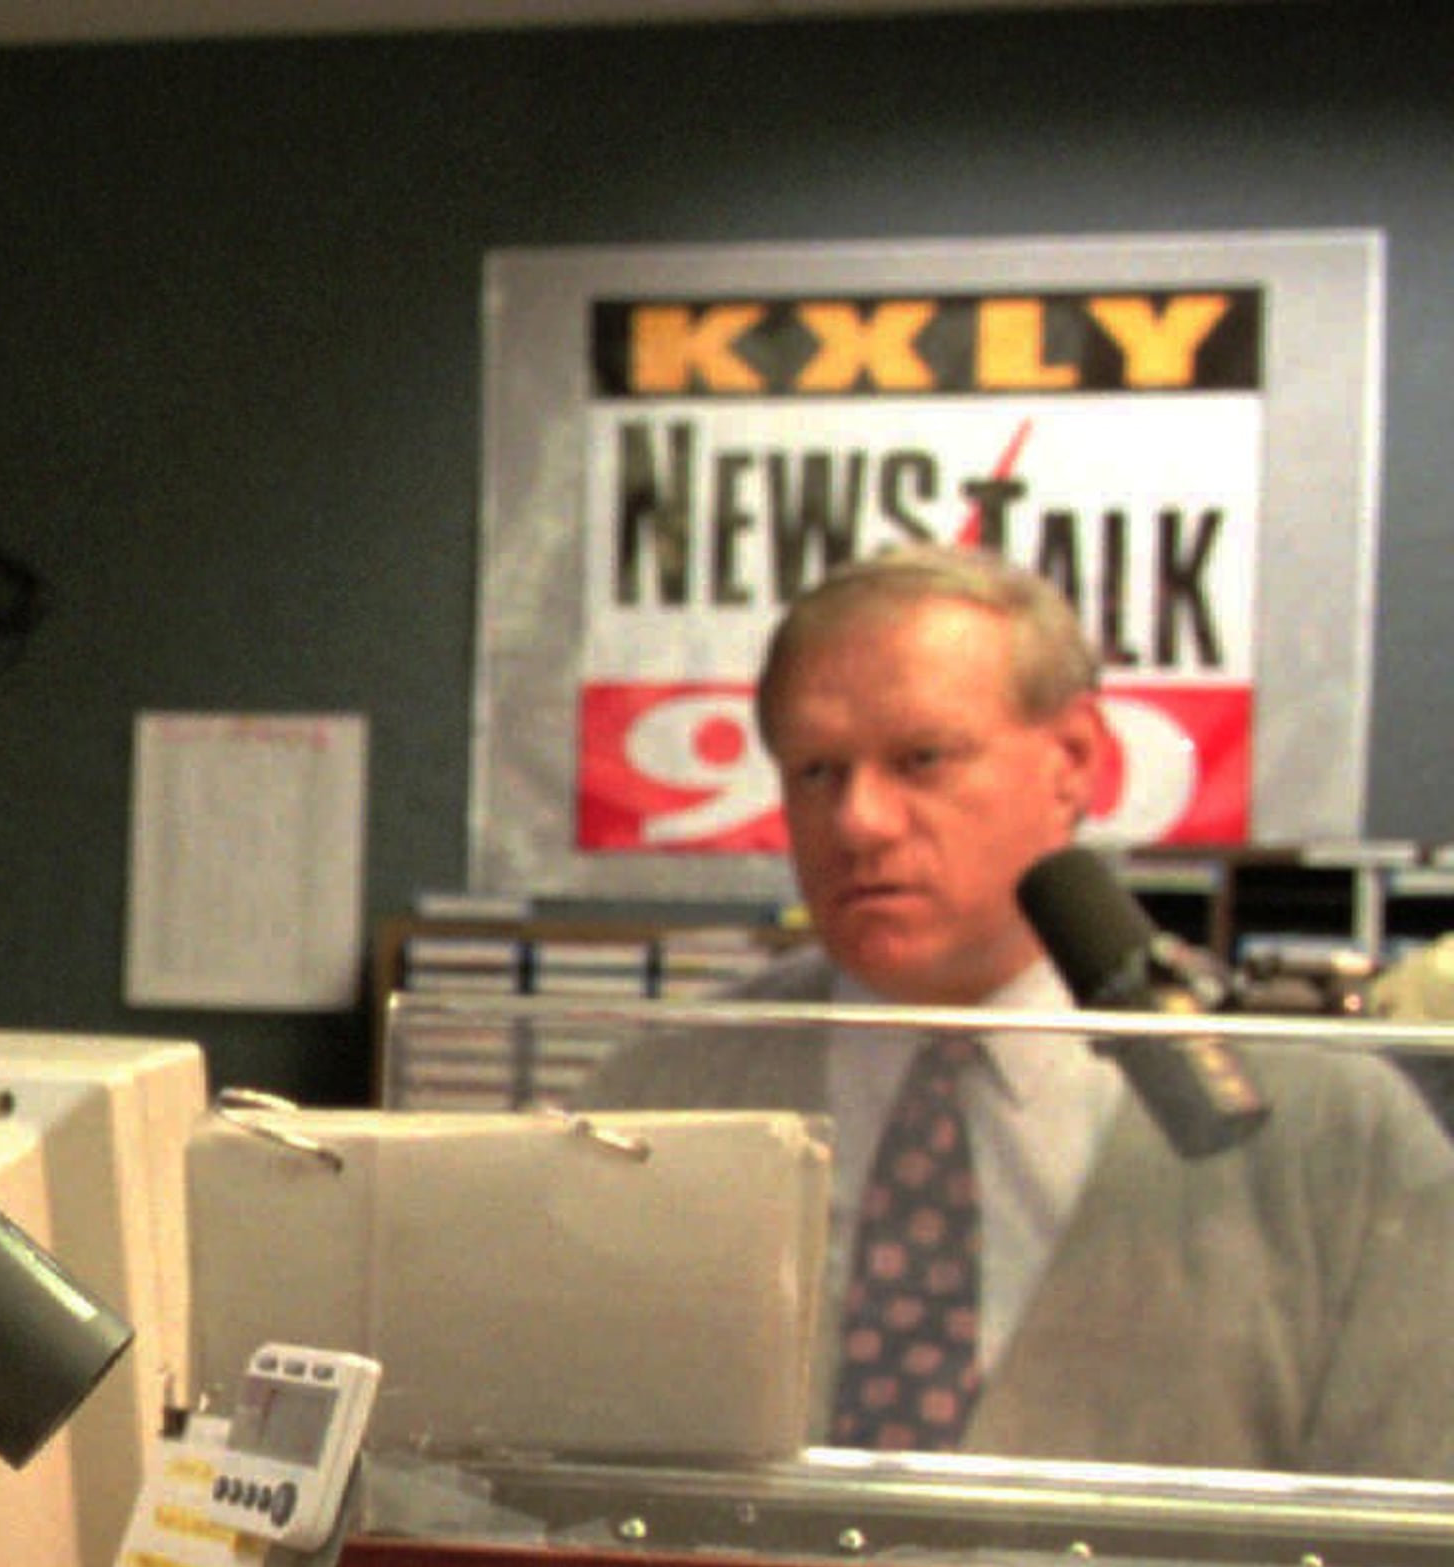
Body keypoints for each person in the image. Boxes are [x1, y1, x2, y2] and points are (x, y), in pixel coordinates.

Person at [583, 543, 1451, 1477]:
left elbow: (1407, 1522)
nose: (860, 821)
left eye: (921, 759)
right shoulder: (657, 1096)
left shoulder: (1332, 1133)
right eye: (818, 772)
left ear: (1073, 759)